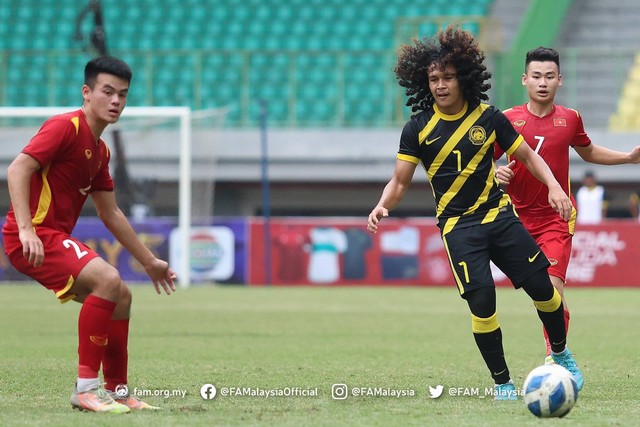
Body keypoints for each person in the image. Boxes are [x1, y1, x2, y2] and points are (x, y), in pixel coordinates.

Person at [366, 26, 583, 399]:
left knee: (544, 291)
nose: (440, 85)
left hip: (499, 217)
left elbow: (527, 156)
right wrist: (383, 203)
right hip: (458, 229)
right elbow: (399, 182)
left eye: (447, 77)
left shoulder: (489, 117)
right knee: (483, 304)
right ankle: (503, 384)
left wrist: (553, 185)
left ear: (463, 77)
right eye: (433, 78)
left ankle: (561, 355)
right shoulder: (417, 129)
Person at [2, 56, 177, 413]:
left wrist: (149, 261)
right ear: (87, 92)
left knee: (122, 296)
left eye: (123, 95)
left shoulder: (100, 151)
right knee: (108, 278)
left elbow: (110, 212)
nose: (116, 101)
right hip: (33, 235)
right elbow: (18, 168)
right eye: (108, 92)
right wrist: (25, 230)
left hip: (49, 236)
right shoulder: (65, 127)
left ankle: (118, 390)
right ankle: (85, 389)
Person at [495, 47, 640, 363]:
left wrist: (628, 158)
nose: (542, 82)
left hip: (556, 218)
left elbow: (588, 152)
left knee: (552, 288)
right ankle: (557, 331)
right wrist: (497, 172)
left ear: (560, 80)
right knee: (540, 294)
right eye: (536, 76)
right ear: (525, 80)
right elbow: (482, 162)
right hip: (515, 220)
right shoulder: (507, 119)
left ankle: (555, 354)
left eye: (549, 76)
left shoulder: (570, 118)